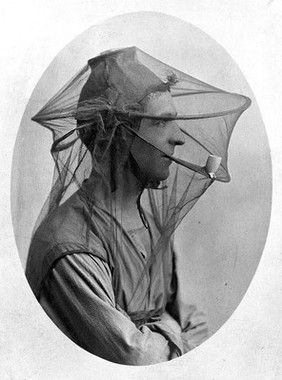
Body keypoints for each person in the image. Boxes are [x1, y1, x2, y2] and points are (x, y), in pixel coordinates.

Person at [25, 47, 250, 365]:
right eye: (160, 124)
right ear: (116, 136)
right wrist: (171, 335)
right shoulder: (69, 243)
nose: (178, 138)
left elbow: (191, 323)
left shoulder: (151, 224)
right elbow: (133, 357)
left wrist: (163, 334)